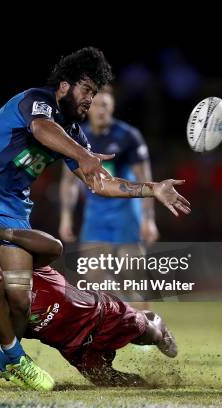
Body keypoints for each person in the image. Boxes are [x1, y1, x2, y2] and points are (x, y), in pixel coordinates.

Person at [0, 47, 189, 390]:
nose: (91, 99)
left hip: (11, 205)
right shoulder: (37, 101)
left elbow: (100, 182)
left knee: (18, 298)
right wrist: (83, 154)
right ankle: (15, 359)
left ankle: (6, 356)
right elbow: (42, 129)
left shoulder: (74, 133)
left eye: (96, 93)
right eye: (87, 90)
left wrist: (152, 189)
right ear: (64, 86)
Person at [0, 215, 177, 387]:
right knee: (109, 381)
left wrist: (2, 232)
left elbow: (55, 247)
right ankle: (152, 386)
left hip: (100, 316)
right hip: (74, 349)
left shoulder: (19, 271)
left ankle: (154, 322)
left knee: (148, 335)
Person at [59, 86, 158, 304]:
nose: (100, 110)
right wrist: (66, 218)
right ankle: (121, 308)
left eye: (105, 105)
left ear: (112, 107)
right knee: (93, 278)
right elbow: (69, 182)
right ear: (88, 107)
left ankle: (146, 323)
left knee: (133, 278)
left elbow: (146, 178)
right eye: (96, 105)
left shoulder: (129, 136)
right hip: (95, 216)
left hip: (127, 216)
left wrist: (149, 220)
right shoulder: (77, 137)